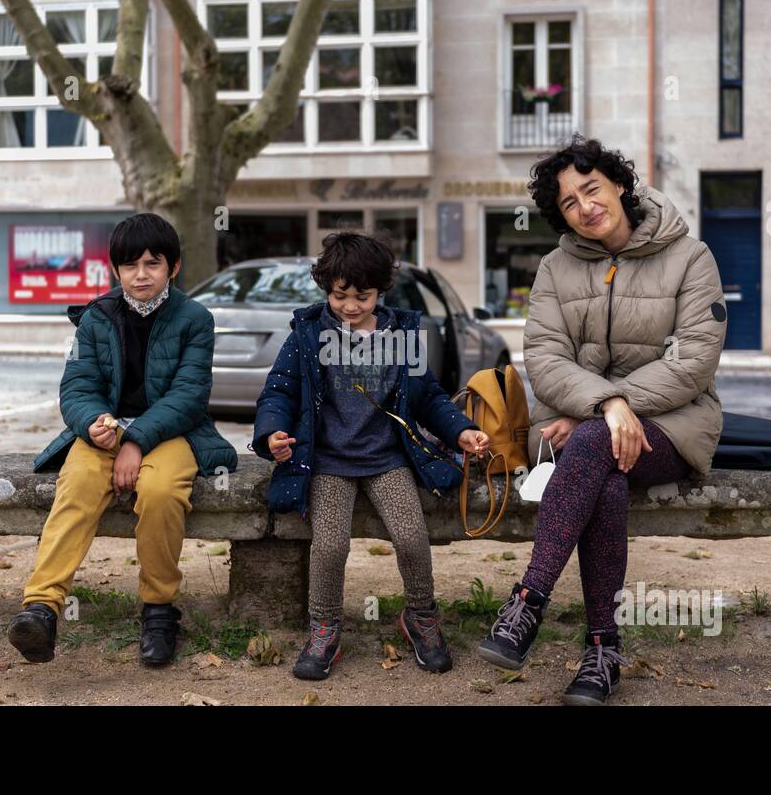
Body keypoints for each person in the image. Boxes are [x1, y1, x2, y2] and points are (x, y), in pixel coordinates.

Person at [477, 136, 726, 705]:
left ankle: (528, 603)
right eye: (568, 202)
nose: (585, 206)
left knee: (594, 445)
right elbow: (543, 358)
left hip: (674, 424)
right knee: (604, 471)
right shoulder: (554, 269)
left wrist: (607, 406)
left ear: (618, 184)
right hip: (586, 427)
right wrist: (605, 408)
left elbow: (692, 362)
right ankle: (602, 651)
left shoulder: (691, 257)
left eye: (591, 189)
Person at [252, 231, 490, 680]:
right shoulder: (308, 333)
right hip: (327, 463)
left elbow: (430, 397)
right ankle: (323, 629)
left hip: (387, 459)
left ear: (381, 291)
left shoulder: (400, 336)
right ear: (326, 289)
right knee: (329, 545)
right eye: (340, 295)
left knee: (411, 537)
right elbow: (279, 391)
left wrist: (461, 430)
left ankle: (420, 617)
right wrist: (271, 434)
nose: (350, 306)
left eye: (362, 296)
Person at [8, 213, 237, 667]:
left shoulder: (195, 319)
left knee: (160, 492)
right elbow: (76, 386)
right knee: (75, 488)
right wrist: (92, 420)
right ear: (116, 270)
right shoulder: (97, 316)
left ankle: (158, 610)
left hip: (171, 430)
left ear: (173, 267)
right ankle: (42, 608)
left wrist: (135, 440)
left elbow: (190, 395)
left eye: (152, 263)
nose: (141, 274)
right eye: (130, 265)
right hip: (106, 431)